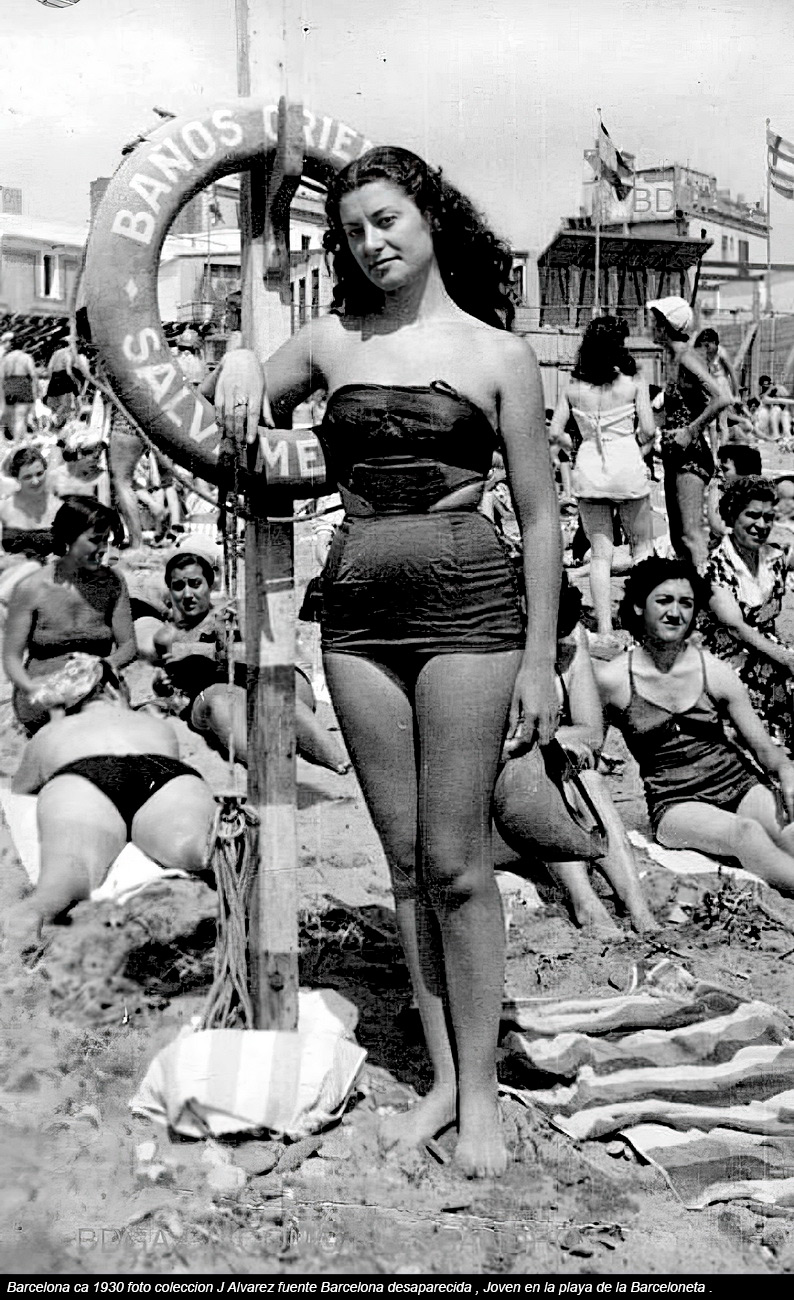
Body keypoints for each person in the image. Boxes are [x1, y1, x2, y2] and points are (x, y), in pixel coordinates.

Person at [212, 145, 561, 1178]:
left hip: (468, 606)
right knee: (404, 861)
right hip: (358, 610)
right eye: (353, 230)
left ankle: (482, 1093)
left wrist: (540, 660)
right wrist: (240, 361)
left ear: (429, 217)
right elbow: (239, 400)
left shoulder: (500, 354)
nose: (371, 243)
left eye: (386, 220)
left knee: (457, 861)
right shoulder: (331, 340)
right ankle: (444, 1078)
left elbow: (542, 516)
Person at [596, 556, 794, 891]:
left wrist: (787, 772)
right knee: (745, 834)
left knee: (789, 831)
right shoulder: (613, 680)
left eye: (686, 603)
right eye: (664, 600)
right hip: (675, 803)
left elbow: (764, 749)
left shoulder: (713, 671)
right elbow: (589, 749)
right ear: (639, 606)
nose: (675, 612)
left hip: (737, 783)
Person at [493, 574, 656, 935]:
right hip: (499, 814)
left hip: (556, 797)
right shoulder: (494, 653)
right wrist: (546, 743)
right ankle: (587, 906)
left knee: (588, 778)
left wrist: (545, 740)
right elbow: (491, 747)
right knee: (547, 773)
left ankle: (638, 909)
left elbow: (592, 732)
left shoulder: (571, 639)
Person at [7, 693, 216, 951]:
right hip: (161, 772)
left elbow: (20, 789)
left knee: (66, 877)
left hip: (83, 776)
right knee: (200, 847)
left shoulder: (49, 733)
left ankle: (28, 930)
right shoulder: (155, 725)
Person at [138, 549, 350, 774]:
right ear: (170, 590)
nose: (187, 594)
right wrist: (161, 685)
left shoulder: (233, 612)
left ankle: (336, 759)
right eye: (179, 586)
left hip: (266, 682)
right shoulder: (166, 637)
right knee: (220, 703)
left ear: (210, 584)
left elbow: (268, 653)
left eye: (195, 584)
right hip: (221, 698)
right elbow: (170, 686)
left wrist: (212, 645)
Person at [549, 315, 655, 647]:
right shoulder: (633, 383)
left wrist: (576, 446)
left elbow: (555, 432)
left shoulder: (573, 387)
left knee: (599, 555)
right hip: (627, 466)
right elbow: (649, 430)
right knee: (642, 547)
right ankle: (645, 621)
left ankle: (605, 628)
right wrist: (635, 445)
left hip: (589, 469)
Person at [3, 497, 136, 734]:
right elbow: (12, 658)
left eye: (106, 541)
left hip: (97, 684)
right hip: (44, 692)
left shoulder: (113, 583)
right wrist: (32, 688)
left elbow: (128, 645)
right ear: (68, 537)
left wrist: (101, 667)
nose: (103, 549)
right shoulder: (31, 588)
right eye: (95, 540)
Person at [700, 476, 794, 753]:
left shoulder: (773, 557)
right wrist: (787, 659)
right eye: (752, 515)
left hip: (768, 651)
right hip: (729, 659)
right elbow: (738, 629)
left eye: (768, 517)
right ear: (732, 515)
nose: (761, 525)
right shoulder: (716, 568)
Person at [648, 297, 734, 570]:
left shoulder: (686, 357)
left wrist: (690, 430)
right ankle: (690, 588)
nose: (650, 326)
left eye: (654, 321)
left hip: (691, 457)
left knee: (691, 535)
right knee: (678, 539)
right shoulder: (674, 358)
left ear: (664, 326)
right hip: (675, 455)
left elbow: (722, 398)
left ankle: (706, 591)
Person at [0, 446, 60, 564]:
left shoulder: (58, 507)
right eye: (27, 477)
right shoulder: (4, 509)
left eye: (39, 474)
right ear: (17, 478)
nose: (35, 481)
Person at [693, 328, 737, 454]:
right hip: (710, 390)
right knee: (711, 425)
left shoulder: (721, 353)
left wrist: (736, 394)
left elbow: (732, 373)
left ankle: (723, 452)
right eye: (704, 345)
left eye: (708, 345)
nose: (706, 348)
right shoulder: (704, 354)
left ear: (714, 342)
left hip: (722, 389)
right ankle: (714, 455)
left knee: (722, 424)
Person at [705, 444, 763, 540]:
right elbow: (716, 525)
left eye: (724, 469)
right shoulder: (722, 488)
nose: (719, 474)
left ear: (745, 472)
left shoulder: (759, 496)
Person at [0, 339, 37, 442]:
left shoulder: (6, 358)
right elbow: (33, 375)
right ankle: (17, 442)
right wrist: (36, 391)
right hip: (22, 385)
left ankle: (22, 440)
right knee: (21, 417)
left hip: (9, 386)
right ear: (23, 346)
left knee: (12, 417)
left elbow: (1, 376)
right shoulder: (26, 357)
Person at [45, 343, 84, 429]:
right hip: (63, 377)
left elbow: (49, 367)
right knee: (64, 403)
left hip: (54, 378)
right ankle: (56, 417)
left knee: (55, 403)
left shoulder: (56, 353)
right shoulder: (69, 355)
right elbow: (69, 371)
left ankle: (53, 419)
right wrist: (73, 380)